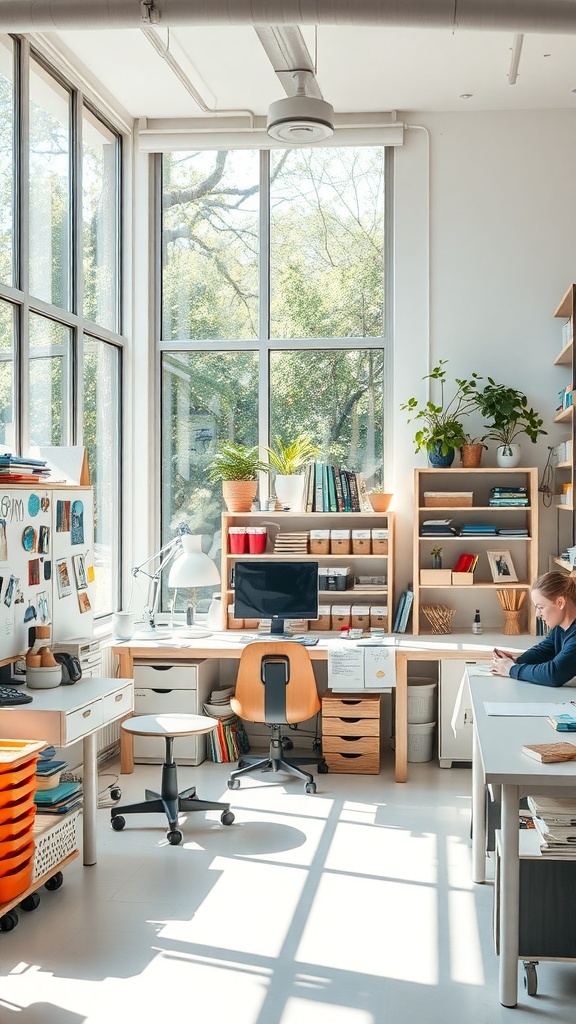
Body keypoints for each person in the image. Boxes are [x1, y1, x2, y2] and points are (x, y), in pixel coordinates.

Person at [491, 571, 576, 687]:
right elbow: (544, 651)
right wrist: (516, 661)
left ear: (560, 602)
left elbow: (555, 674)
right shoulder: (560, 628)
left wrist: (512, 669)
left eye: (540, 607)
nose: (537, 614)